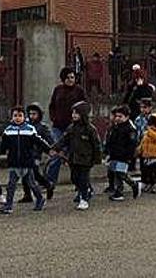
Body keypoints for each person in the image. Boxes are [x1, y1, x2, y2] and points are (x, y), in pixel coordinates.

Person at [0, 105, 52, 214]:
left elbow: (39, 141)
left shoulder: (30, 129)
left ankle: (40, 198)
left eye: (20, 116)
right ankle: (8, 205)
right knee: (11, 185)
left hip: (27, 162)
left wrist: (48, 149)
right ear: (12, 117)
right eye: (15, 116)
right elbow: (3, 146)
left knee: (31, 183)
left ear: (24, 117)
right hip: (14, 162)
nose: (17, 118)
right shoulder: (8, 130)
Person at [49, 101, 101, 210]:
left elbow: (96, 145)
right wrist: (55, 148)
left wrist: (97, 159)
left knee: (83, 178)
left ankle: (84, 199)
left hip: (86, 159)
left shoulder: (90, 129)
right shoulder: (71, 128)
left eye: (76, 113)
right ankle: (86, 190)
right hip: (73, 158)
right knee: (74, 178)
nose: (74, 115)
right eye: (73, 113)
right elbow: (64, 140)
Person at [45, 67, 87, 197]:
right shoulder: (58, 90)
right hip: (58, 126)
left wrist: (79, 120)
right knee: (56, 154)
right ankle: (50, 183)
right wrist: (53, 117)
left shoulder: (79, 91)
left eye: (72, 77)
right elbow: (52, 105)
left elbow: (84, 107)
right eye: (68, 77)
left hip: (74, 128)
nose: (70, 80)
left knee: (73, 157)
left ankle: (80, 184)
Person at [106, 105, 141, 202]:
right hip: (114, 154)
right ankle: (119, 192)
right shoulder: (115, 127)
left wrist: (129, 157)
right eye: (116, 116)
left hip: (123, 155)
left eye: (120, 116)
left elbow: (132, 145)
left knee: (121, 173)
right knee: (116, 173)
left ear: (127, 117)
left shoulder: (130, 129)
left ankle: (134, 184)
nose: (117, 118)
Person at [20, 103, 54, 202]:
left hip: (35, 154)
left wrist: (50, 150)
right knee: (25, 174)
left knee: (34, 174)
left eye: (34, 114)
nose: (32, 116)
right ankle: (27, 194)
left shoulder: (42, 127)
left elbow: (49, 140)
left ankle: (47, 184)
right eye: (30, 114)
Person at [137, 114, 156, 194]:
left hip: (155, 156)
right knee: (147, 171)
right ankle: (150, 183)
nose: (151, 126)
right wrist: (139, 149)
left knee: (155, 171)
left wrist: (149, 130)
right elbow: (143, 142)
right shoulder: (147, 133)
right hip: (147, 155)